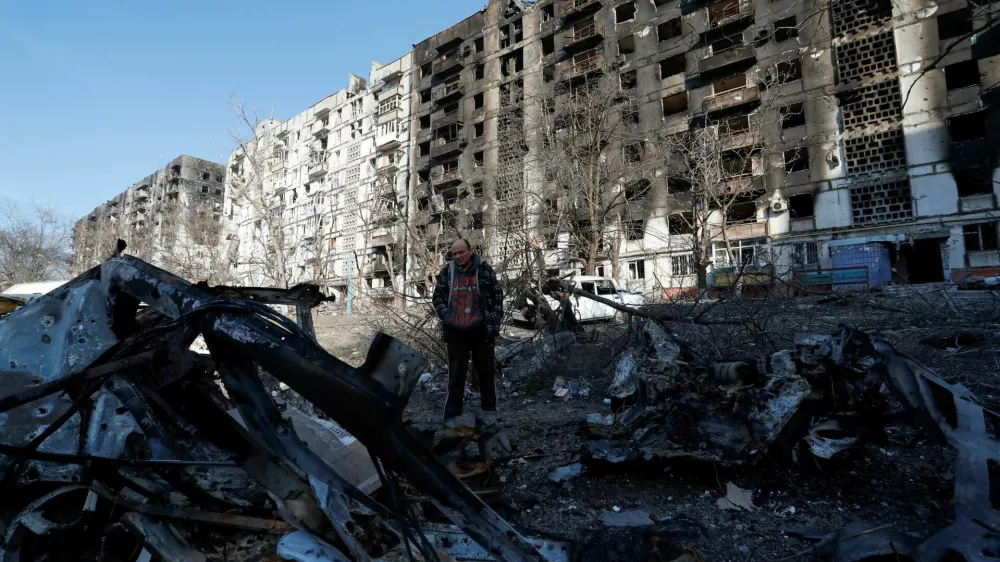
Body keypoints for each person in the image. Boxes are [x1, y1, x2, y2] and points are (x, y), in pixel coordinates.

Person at [432, 239, 504, 420]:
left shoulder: (484, 269)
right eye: (455, 254)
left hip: (481, 332)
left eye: (461, 252)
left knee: (486, 374)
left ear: (471, 250)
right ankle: (451, 418)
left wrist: (494, 322)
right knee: (455, 377)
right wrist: (446, 316)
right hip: (456, 333)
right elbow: (437, 297)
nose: (458, 256)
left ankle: (490, 415)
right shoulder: (448, 272)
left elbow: (497, 294)